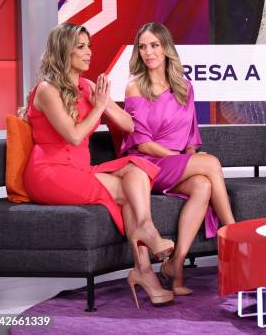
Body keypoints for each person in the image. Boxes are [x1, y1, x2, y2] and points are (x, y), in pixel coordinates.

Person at [23, 23, 175, 308]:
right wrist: (99, 106)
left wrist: (104, 104)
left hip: (79, 169)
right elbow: (74, 134)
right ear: (62, 51)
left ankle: (145, 263)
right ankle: (146, 261)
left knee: (136, 170)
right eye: (80, 47)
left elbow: (130, 125)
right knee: (130, 188)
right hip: (50, 172)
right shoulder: (47, 90)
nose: (88, 52)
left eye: (88, 46)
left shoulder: (88, 87)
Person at [121, 22, 236, 296]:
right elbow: (143, 143)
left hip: (176, 165)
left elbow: (190, 139)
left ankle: (176, 265)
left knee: (203, 185)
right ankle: (233, 235)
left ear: (166, 48)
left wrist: (187, 160)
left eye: (154, 45)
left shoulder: (184, 86)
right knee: (211, 163)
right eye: (143, 47)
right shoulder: (135, 88)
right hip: (148, 166)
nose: (148, 52)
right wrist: (178, 158)